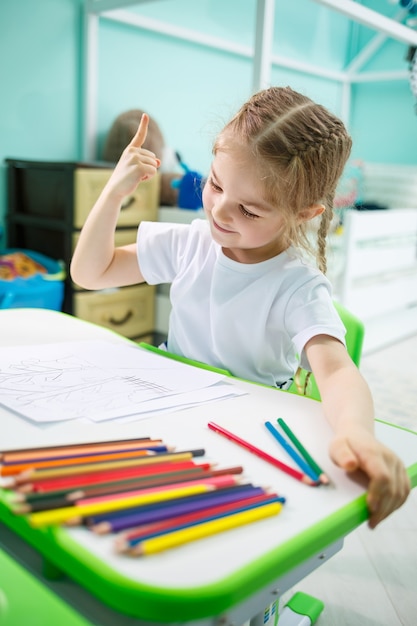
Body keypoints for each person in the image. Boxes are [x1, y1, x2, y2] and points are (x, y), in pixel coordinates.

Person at [71, 86, 410, 529]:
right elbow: (91, 273)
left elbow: (338, 371)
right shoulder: (192, 242)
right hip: (171, 413)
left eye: (249, 210)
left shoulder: (297, 287)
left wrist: (357, 432)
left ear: (305, 213)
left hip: (246, 437)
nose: (220, 212)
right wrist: (113, 192)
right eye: (215, 183)